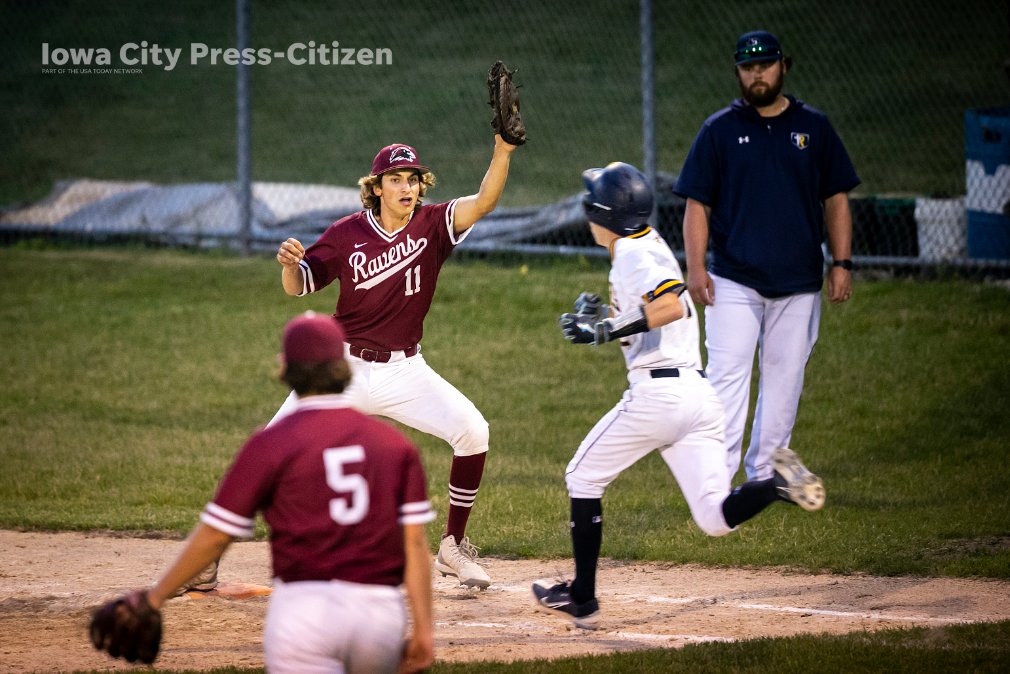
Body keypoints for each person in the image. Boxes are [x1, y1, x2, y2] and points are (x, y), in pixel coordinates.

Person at [531, 162, 825, 630]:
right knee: (713, 516)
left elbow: (670, 304)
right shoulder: (646, 242)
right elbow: (649, 307)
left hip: (659, 398)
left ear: (601, 212)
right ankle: (775, 486)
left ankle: (582, 597)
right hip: (698, 398)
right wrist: (602, 315)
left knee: (582, 477)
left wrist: (606, 329)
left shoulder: (629, 253)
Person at [96, 313, 436, 673]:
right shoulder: (394, 445)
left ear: (285, 369)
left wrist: (154, 598)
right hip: (378, 616)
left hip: (305, 614)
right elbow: (414, 544)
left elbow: (215, 536)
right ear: (343, 367)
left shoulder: (272, 444)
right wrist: (425, 632)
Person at [271, 135, 519, 589]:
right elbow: (299, 286)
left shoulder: (433, 224)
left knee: (473, 431)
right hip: (341, 371)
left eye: (413, 179)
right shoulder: (347, 233)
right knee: (271, 449)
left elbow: (484, 201)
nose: (407, 187)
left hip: (406, 371)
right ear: (377, 187)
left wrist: (502, 152)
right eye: (395, 179)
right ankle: (212, 555)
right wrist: (290, 264)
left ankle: (452, 547)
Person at [674, 30, 860, 481]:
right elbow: (697, 204)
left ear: (783, 66)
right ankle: (714, 482)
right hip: (733, 280)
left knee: (785, 382)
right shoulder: (719, 130)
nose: (757, 74)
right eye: (748, 67)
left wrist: (842, 262)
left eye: (765, 65)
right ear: (738, 72)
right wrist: (695, 268)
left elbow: (836, 199)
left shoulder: (813, 128)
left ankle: (765, 475)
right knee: (725, 381)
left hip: (798, 282)